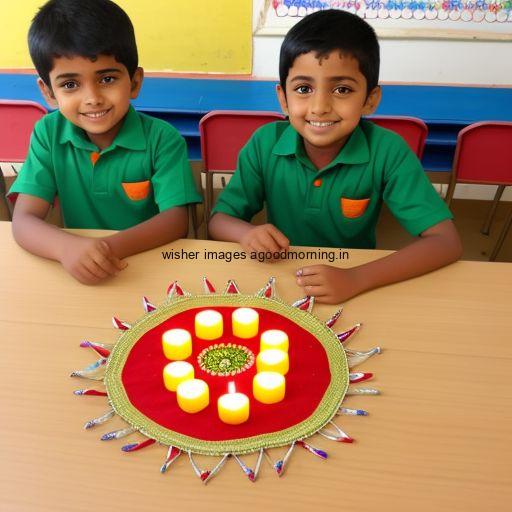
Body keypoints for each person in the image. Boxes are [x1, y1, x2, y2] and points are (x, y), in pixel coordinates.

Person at [208, 9, 462, 304]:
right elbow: (219, 220)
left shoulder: (388, 150)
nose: (319, 107)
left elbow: (447, 242)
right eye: (303, 89)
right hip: (280, 281)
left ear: (370, 99)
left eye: (342, 89)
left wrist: (357, 277)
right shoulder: (265, 143)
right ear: (283, 98)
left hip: (352, 282)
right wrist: (245, 233)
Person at [9, 0, 201, 284]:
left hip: (147, 267)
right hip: (78, 268)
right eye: (70, 84)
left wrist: (102, 251)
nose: (92, 98)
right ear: (48, 92)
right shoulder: (47, 134)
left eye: (107, 78)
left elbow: (175, 221)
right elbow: (23, 221)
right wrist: (66, 248)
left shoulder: (162, 138)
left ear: (134, 82)